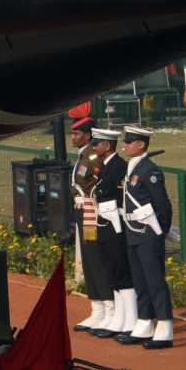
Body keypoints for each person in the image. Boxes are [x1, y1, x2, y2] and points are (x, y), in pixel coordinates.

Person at [117, 126, 174, 350]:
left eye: (129, 142)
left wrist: (162, 230)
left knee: (155, 280)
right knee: (140, 280)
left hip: (148, 233)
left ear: (141, 144)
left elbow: (163, 204)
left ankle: (165, 325)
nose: (126, 145)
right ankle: (144, 322)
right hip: (133, 230)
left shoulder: (150, 170)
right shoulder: (133, 167)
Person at [86, 128, 137, 340]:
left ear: (107, 146)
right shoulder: (104, 167)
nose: (94, 147)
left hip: (116, 224)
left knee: (121, 269)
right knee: (112, 270)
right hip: (104, 223)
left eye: (97, 143)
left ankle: (131, 319)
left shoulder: (118, 167)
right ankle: (121, 317)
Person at [70, 117, 113, 332]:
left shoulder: (93, 156)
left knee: (95, 257)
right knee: (88, 258)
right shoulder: (84, 155)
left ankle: (108, 308)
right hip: (83, 210)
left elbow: (98, 183)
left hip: (91, 211)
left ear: (87, 135)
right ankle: (97, 309)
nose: (73, 137)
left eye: (77, 134)